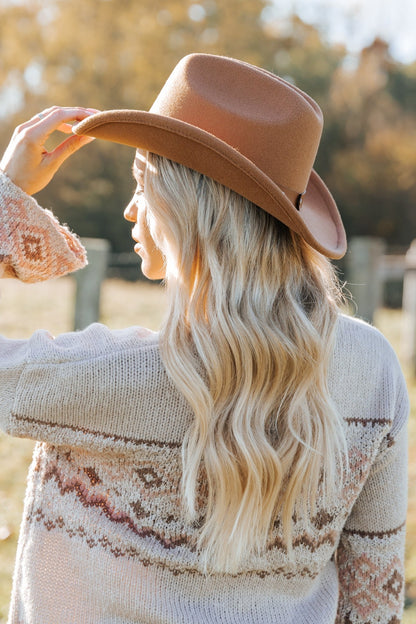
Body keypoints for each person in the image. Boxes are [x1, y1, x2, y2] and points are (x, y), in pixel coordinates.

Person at [0, 54, 408, 624]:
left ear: (181, 206)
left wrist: (7, 196)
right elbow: (374, 601)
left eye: (141, 182)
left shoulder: (103, 378)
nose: (128, 207)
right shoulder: (375, 369)